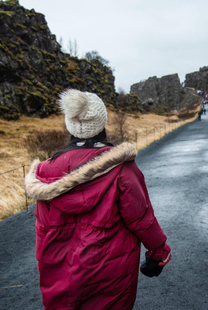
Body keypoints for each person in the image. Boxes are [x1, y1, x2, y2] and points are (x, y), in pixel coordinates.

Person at [25, 89, 171, 310]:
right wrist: (159, 252)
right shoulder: (121, 169)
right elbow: (141, 218)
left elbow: (42, 230)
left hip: (61, 276)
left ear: (69, 124)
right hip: (112, 273)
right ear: (102, 123)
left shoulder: (46, 173)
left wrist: (46, 266)